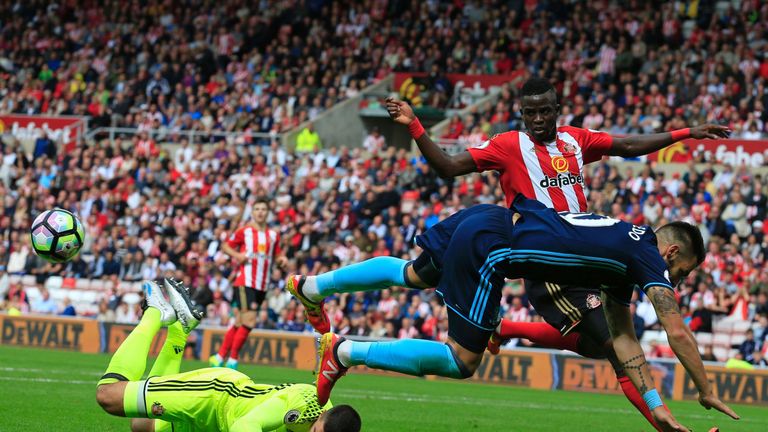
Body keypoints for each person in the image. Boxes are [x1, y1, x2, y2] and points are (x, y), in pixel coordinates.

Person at [375, 77, 730, 431]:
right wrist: (416, 127)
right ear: (521, 114)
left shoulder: (575, 141)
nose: (539, 119)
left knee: (604, 342)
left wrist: (688, 132)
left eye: (545, 111)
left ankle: (505, 328)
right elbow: (449, 166)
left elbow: (627, 144)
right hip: (549, 263)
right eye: (531, 113)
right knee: (611, 343)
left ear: (557, 110)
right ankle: (667, 424)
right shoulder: (509, 145)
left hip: (584, 262)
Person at [290, 196, 739, 432]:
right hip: (494, 248)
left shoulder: (625, 255)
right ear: (674, 250)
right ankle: (346, 351)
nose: (676, 280)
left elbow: (624, 342)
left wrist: (657, 407)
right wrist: (705, 389)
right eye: (682, 271)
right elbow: (676, 332)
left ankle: (312, 286)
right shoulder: (650, 258)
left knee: (413, 274)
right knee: (461, 361)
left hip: (488, 217)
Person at [96, 278, 360, 432]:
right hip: (215, 396)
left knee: (142, 426)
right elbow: (245, 428)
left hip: (219, 423)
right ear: (322, 418)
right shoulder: (307, 405)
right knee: (108, 395)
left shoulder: (325, 421)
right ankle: (155, 310)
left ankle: (179, 331)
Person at [211, 199, 286, 369]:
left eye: (263, 209)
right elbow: (226, 246)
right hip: (245, 281)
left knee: (239, 322)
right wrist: (237, 256)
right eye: (257, 209)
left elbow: (278, 253)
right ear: (252, 212)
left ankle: (219, 356)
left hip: (263, 284)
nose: (260, 212)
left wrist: (282, 259)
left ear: (267, 212)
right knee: (249, 321)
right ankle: (233, 360)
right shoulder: (244, 232)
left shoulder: (273, 235)